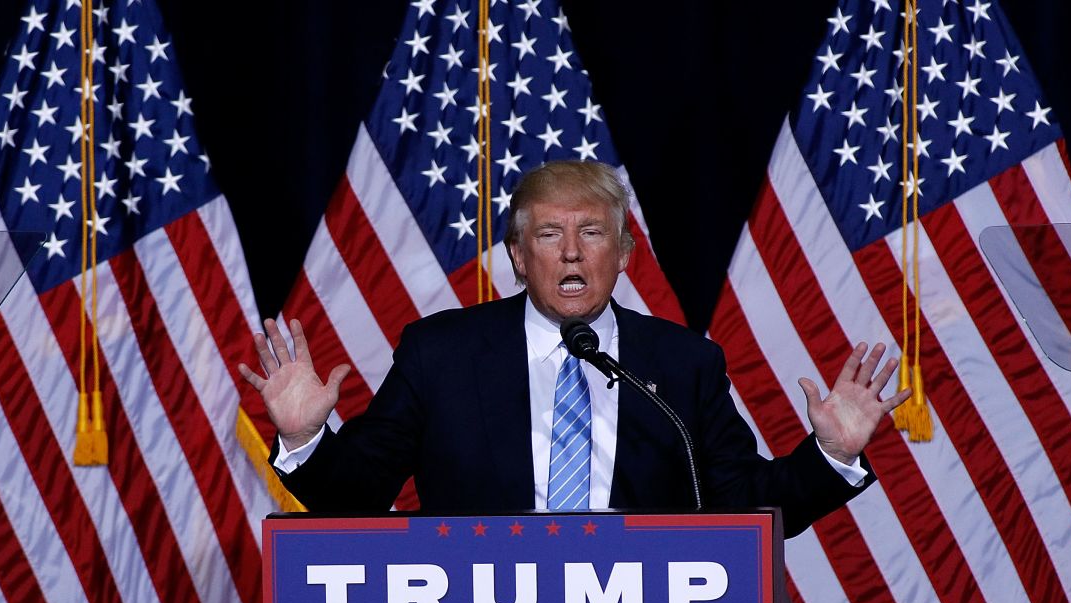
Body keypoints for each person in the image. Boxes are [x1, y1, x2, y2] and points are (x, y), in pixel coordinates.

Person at [238, 160, 909, 537]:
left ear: (622, 255)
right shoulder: (439, 353)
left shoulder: (681, 364)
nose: (569, 251)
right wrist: (306, 439)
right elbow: (355, 495)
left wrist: (832, 455)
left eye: (591, 233)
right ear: (518, 258)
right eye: (549, 234)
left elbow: (741, 508)